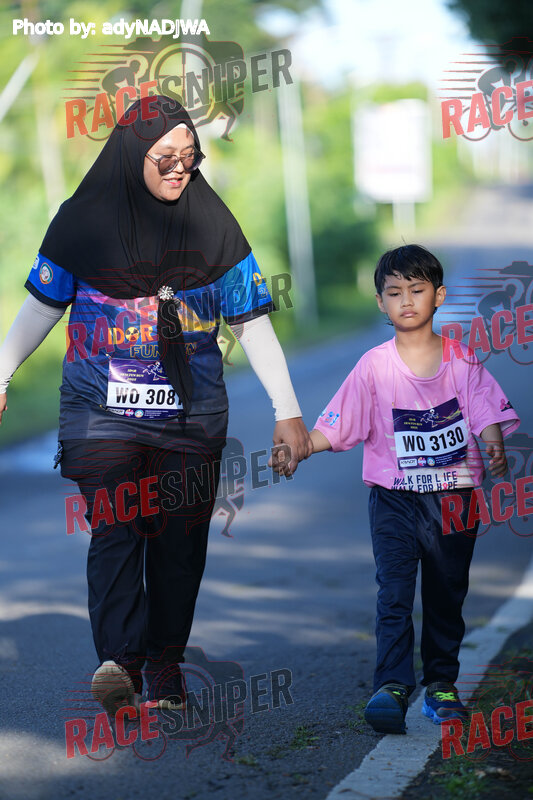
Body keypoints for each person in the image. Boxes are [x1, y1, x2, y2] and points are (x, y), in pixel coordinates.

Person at [0, 96, 312, 714]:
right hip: (100, 410)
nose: (179, 168)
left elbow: (251, 324)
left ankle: (165, 665)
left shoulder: (214, 227)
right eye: (164, 157)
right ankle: (120, 663)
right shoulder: (79, 223)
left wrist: (288, 409)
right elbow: (41, 307)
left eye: (189, 157)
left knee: (178, 542)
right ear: (130, 154)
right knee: (116, 526)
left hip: (191, 416)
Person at [292, 244, 520, 734]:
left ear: (439, 295)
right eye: (395, 292)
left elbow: (484, 408)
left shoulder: (462, 360)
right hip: (393, 500)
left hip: (455, 497)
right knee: (394, 593)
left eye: (417, 290)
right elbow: (340, 423)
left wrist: (493, 442)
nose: (407, 300)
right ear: (380, 302)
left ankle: (440, 686)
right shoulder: (373, 366)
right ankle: (391, 686)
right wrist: (302, 446)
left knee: (446, 592)